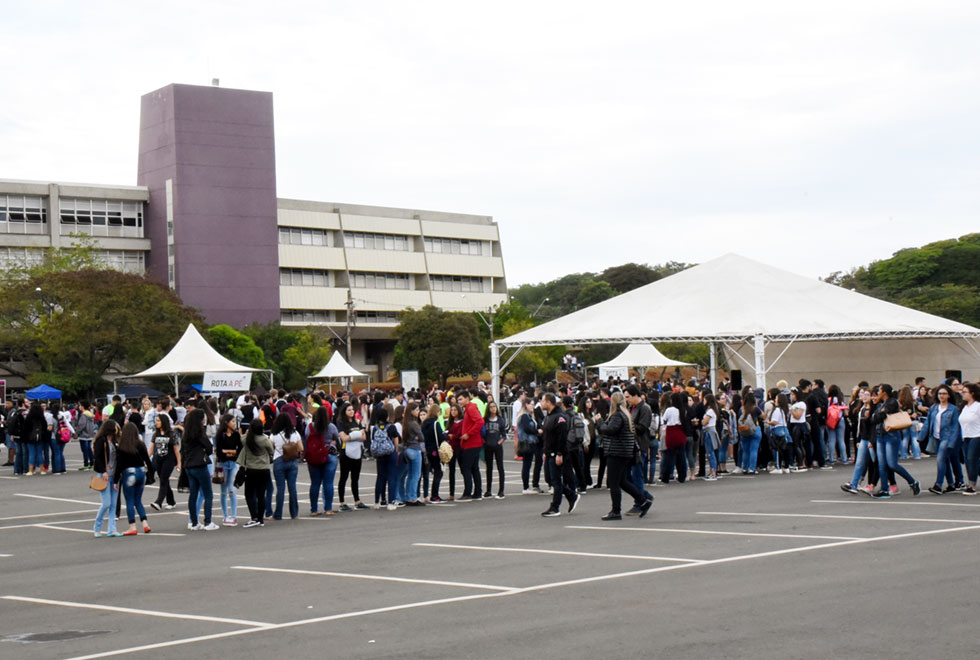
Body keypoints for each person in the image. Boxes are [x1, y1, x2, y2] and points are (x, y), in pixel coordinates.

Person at [595, 391, 652, 521]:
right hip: (624, 451)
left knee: (614, 483)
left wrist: (599, 422)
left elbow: (609, 430)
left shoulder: (617, 416)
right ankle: (643, 500)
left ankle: (616, 511)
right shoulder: (626, 415)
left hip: (616, 452)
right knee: (622, 481)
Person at [872, 384, 921, 498]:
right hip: (880, 435)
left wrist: (878, 415)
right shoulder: (881, 404)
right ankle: (884, 489)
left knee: (892, 464)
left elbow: (879, 416)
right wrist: (878, 414)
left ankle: (913, 482)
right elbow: (873, 419)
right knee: (882, 464)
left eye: (879, 390)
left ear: (884, 392)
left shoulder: (892, 402)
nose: (877, 393)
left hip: (891, 435)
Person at [540, 393, 579, 517]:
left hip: (557, 453)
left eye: (543, 401)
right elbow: (547, 436)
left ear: (549, 402)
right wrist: (545, 452)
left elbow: (562, 438)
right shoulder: (549, 416)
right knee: (549, 478)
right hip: (548, 453)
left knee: (556, 481)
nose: (541, 403)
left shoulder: (560, 417)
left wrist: (559, 453)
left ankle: (555, 507)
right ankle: (571, 495)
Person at [919, 384, 963, 495]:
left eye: (944, 394)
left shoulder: (953, 409)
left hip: (947, 438)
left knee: (940, 459)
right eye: (939, 393)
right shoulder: (934, 407)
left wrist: (952, 443)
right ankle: (951, 484)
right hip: (936, 437)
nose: (941, 396)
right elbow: (927, 423)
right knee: (945, 461)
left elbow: (955, 428)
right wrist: (920, 437)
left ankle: (938, 485)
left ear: (949, 395)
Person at [181, 408, 219, 531]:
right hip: (200, 465)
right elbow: (209, 448)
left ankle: (194, 522)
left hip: (189, 466)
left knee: (193, 494)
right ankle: (208, 522)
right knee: (208, 494)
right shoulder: (199, 432)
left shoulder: (186, 434)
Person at [116, 421, 153, 536]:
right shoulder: (141, 444)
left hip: (129, 473)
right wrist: (150, 474)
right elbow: (148, 460)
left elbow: (119, 465)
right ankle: (145, 523)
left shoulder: (123, 446)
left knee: (130, 501)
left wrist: (115, 479)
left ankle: (132, 526)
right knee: (138, 500)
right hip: (141, 472)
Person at [237, 420, 275, 528]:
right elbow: (271, 450)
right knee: (261, 494)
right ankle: (261, 518)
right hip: (263, 469)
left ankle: (254, 516)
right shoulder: (264, 439)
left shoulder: (246, 439)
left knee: (249, 494)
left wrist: (248, 432)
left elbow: (242, 438)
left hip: (251, 469)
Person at [306, 405, 340, 516]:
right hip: (329, 454)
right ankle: (328, 508)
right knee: (328, 483)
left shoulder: (310, 426)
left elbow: (306, 437)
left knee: (315, 483)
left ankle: (314, 509)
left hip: (314, 455)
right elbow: (337, 438)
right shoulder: (331, 427)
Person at [270, 413, 304, 520]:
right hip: (292, 460)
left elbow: (270, 447)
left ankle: (278, 514)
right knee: (292, 487)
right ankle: (294, 513)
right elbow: (301, 448)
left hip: (279, 460)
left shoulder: (274, 434)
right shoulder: (295, 433)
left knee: (280, 489)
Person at [92, 420, 122, 538]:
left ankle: (112, 529)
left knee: (113, 504)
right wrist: (103, 471)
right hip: (105, 475)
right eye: (115, 427)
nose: (117, 429)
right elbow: (98, 458)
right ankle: (97, 527)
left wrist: (116, 478)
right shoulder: (101, 441)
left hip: (115, 475)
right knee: (106, 503)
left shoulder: (115, 441)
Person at [337, 402, 368, 511]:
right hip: (345, 453)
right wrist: (356, 436)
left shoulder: (357, 422)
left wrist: (352, 436)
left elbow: (364, 437)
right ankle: (342, 502)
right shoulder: (341, 423)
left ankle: (357, 501)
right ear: (344, 412)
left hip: (357, 452)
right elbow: (343, 438)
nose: (351, 412)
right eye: (348, 410)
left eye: (352, 410)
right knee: (344, 477)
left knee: (355, 477)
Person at [456, 390, 484, 501]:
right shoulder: (468, 408)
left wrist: (469, 434)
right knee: (474, 468)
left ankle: (468, 492)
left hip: (472, 443)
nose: (459, 401)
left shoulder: (471, 408)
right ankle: (477, 492)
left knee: (466, 468)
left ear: (467, 398)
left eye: (460, 399)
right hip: (472, 443)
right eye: (458, 399)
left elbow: (480, 422)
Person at [215, 413, 243, 525]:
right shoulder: (220, 435)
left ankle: (234, 515)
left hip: (233, 464)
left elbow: (240, 450)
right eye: (232, 421)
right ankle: (225, 515)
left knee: (232, 489)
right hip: (223, 464)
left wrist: (228, 452)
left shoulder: (236, 435)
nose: (234, 423)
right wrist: (231, 452)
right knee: (223, 491)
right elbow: (219, 452)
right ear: (226, 423)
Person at [149, 413, 181, 510]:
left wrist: (179, 463)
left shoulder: (172, 433)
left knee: (163, 479)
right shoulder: (156, 434)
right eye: (156, 420)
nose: (156, 422)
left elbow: (176, 449)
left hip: (169, 460)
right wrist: (145, 460)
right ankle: (171, 501)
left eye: (158, 420)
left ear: (163, 422)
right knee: (165, 481)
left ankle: (158, 502)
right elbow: (151, 449)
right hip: (158, 459)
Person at [399, 401, 425, 506]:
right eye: (417, 410)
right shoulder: (414, 423)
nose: (418, 412)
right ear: (412, 411)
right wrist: (417, 437)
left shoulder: (405, 423)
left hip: (407, 448)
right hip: (414, 449)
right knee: (416, 475)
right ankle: (413, 497)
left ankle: (408, 496)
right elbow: (422, 437)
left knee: (410, 475)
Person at [422, 403, 448, 502]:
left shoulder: (424, 423)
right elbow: (441, 437)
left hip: (427, 449)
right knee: (439, 472)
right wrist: (446, 435)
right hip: (435, 450)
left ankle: (429, 494)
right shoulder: (435, 423)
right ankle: (435, 495)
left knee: (428, 472)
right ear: (436, 412)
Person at [660, 392, 687, 483]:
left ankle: (666, 477)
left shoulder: (669, 410)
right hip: (680, 432)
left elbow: (664, 420)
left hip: (671, 432)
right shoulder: (682, 410)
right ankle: (682, 476)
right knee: (681, 456)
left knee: (669, 457)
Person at [959, 383, 980, 495]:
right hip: (966, 436)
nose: (962, 394)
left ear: (972, 393)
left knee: (972, 459)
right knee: (968, 461)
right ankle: (971, 481)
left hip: (977, 436)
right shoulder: (965, 407)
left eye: (964, 392)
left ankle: (971, 485)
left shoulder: (978, 406)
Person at [482, 401, 506, 499]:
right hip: (488, 446)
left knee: (500, 467)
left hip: (497, 446)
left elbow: (504, 435)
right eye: (491, 407)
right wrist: (485, 442)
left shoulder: (500, 420)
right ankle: (488, 490)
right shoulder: (486, 420)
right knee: (489, 468)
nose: (493, 409)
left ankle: (501, 490)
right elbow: (482, 432)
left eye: (494, 407)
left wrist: (499, 442)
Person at [736, 393, 762, 475]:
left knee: (745, 450)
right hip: (754, 429)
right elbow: (763, 416)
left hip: (744, 431)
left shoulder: (741, 409)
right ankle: (752, 468)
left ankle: (745, 468)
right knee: (753, 450)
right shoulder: (755, 409)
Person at [75, 400, 97, 471]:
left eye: (80, 405)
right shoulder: (90, 414)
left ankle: (86, 464)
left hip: (83, 434)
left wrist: (77, 432)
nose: (79, 407)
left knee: (85, 450)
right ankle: (92, 464)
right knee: (89, 449)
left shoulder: (83, 414)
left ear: (83, 406)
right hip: (90, 434)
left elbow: (81, 425)